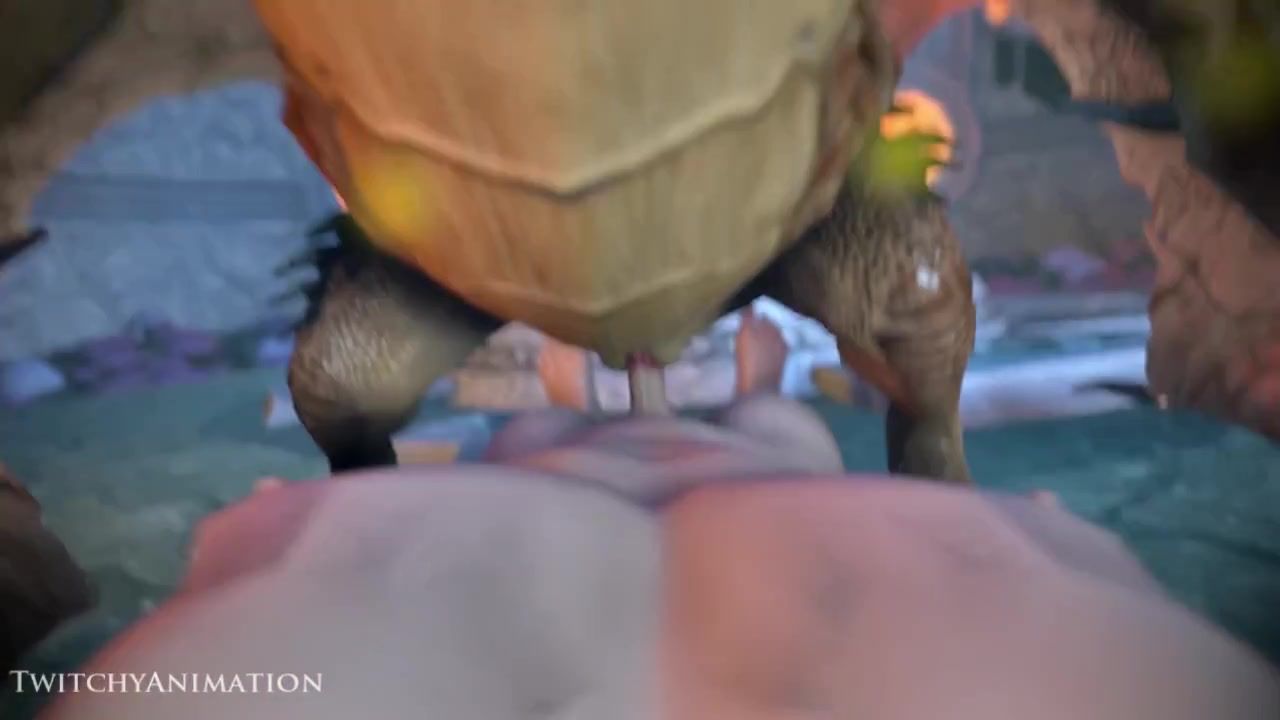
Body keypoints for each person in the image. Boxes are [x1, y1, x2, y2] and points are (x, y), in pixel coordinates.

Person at [36, 310, 1280, 719]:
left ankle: (699, 380)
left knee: (650, 426)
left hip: (410, 569)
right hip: (900, 577)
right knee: (740, 431)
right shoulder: (835, 484)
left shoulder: (464, 478)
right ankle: (714, 382)